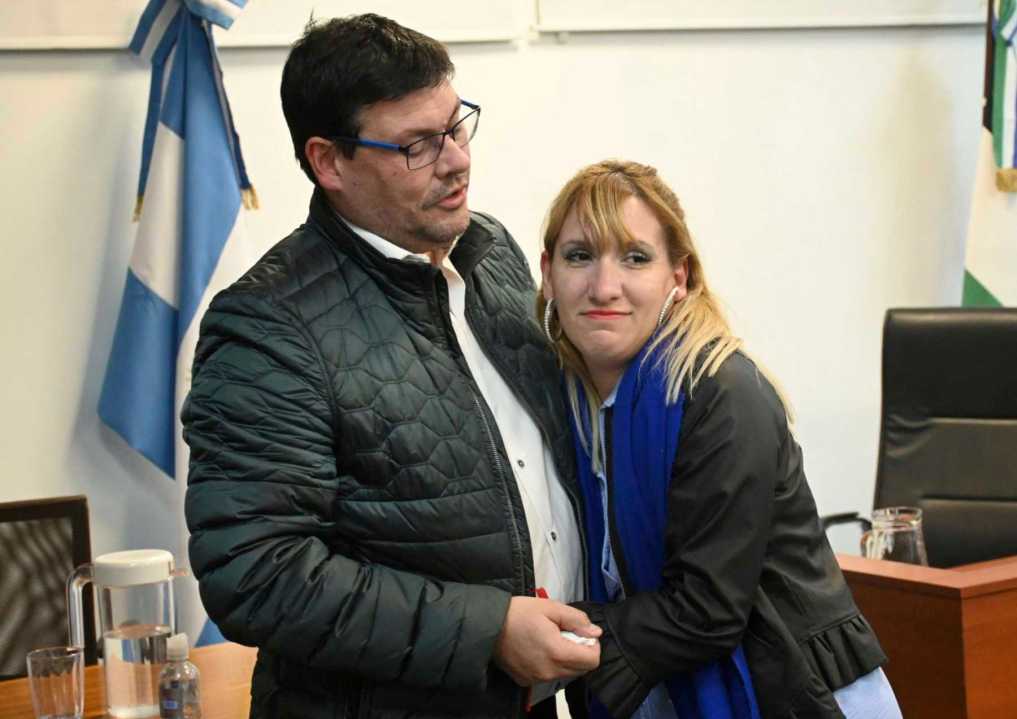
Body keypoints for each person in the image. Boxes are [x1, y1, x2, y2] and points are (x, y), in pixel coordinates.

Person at [182, 14, 601, 719]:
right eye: (417, 144)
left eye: (456, 126)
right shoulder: (267, 325)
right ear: (329, 162)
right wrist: (486, 631)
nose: (456, 160)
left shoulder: (490, 252)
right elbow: (257, 573)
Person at [537, 160, 902, 719]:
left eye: (636, 257)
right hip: (665, 687)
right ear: (548, 273)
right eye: (580, 256)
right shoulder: (563, 403)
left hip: (796, 693)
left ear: (679, 277)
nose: (604, 286)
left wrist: (551, 633)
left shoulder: (722, 390)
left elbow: (707, 608)